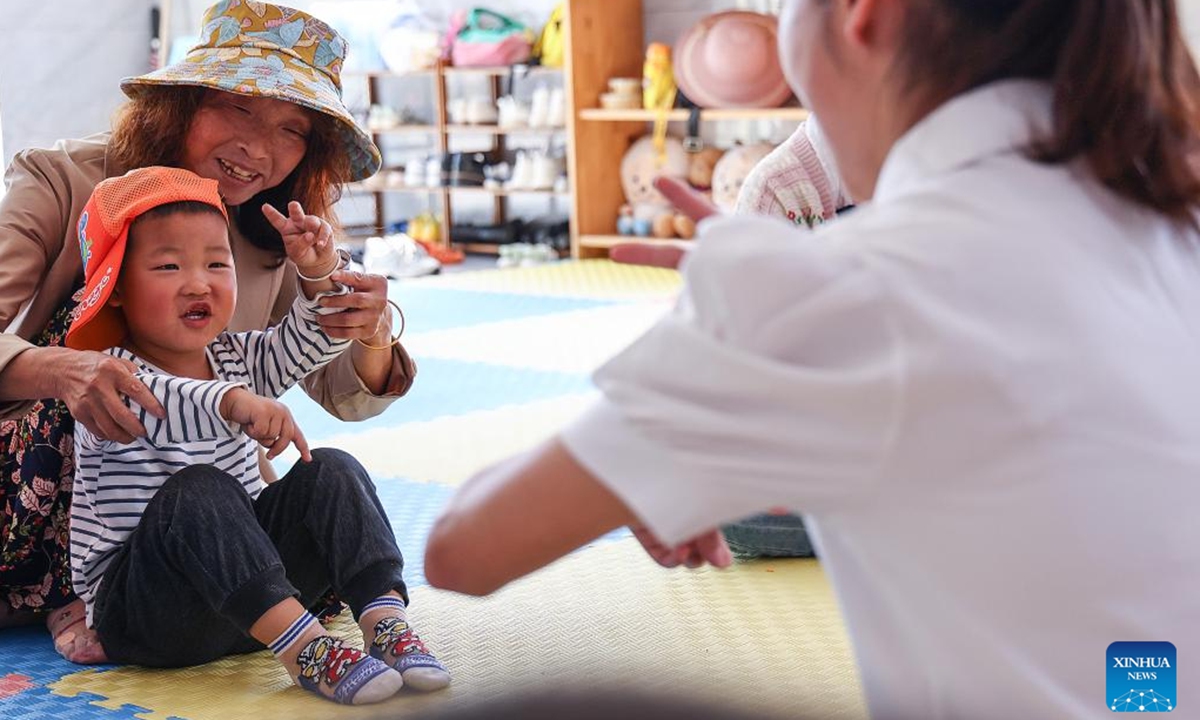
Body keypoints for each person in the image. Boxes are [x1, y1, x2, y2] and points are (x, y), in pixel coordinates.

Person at [424, 1, 1200, 718]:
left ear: (865, 13)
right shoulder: (1172, 217)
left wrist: (711, 347)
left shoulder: (842, 291)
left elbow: (463, 547)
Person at [0, 1, 416, 663]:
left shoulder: (272, 227)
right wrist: (63, 368)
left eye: (292, 128)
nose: (259, 148)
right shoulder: (60, 179)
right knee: (84, 331)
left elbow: (345, 393)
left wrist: (361, 321)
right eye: (238, 108)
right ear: (180, 104)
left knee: (322, 475)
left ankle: (366, 625)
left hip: (202, 507)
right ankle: (70, 588)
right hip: (48, 485)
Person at [66, 166, 448, 703]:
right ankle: (307, 652)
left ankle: (384, 621)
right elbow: (164, 401)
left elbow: (310, 339)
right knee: (200, 489)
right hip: (148, 615)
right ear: (119, 289)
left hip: (252, 603)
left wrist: (319, 270)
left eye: (217, 263)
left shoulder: (234, 356)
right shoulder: (108, 375)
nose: (198, 282)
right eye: (169, 265)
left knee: (331, 469)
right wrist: (232, 400)